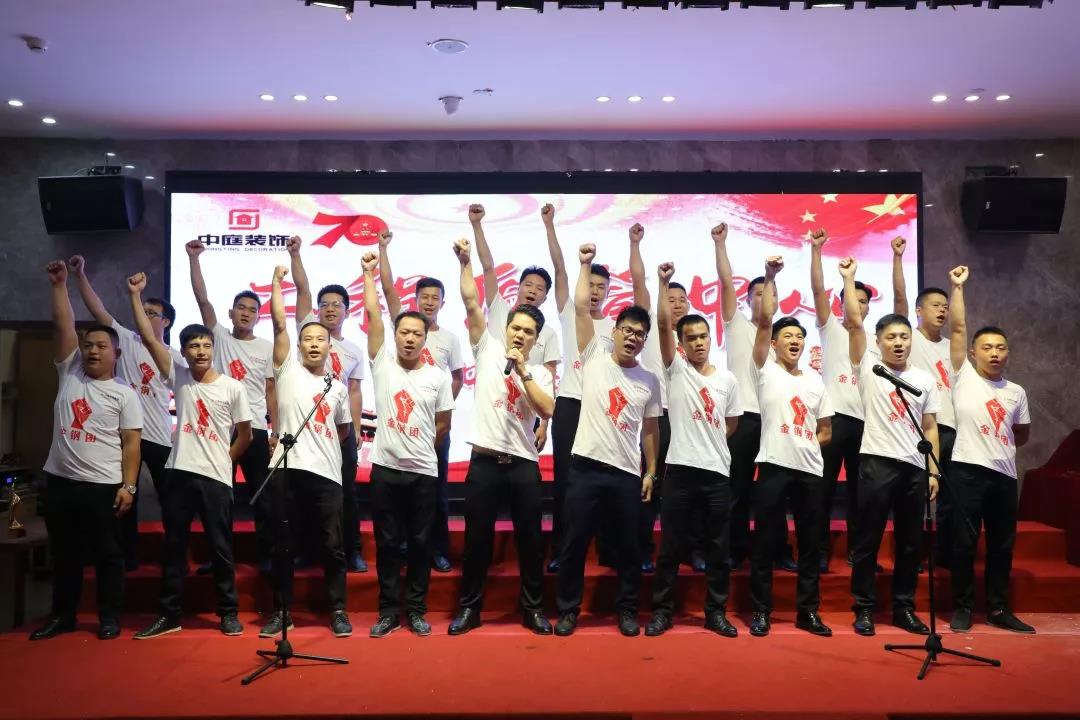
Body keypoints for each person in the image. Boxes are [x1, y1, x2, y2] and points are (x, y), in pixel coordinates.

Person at [125, 272, 253, 639]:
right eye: (193, 346)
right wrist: (135, 296)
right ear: (183, 351)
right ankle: (169, 614)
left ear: (213, 349)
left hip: (216, 477)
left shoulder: (233, 387)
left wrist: (225, 459)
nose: (200, 351)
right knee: (174, 546)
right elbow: (149, 337)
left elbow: (245, 435)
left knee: (221, 547)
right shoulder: (178, 376)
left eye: (205, 345)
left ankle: (228, 612)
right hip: (178, 473)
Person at [447, 239, 555, 636]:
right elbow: (470, 302)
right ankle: (470, 609)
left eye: (529, 331)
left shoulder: (539, 373)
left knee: (530, 541)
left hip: (523, 465)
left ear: (536, 338)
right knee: (477, 540)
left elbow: (547, 409)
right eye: (516, 328)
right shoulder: (487, 348)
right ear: (506, 327)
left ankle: (533, 609)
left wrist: (523, 370)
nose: (521, 334)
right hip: (485, 463)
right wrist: (465, 262)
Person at [30, 261, 142, 641]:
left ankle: (109, 617)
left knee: (109, 555)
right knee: (65, 555)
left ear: (116, 353)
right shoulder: (70, 372)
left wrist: (129, 486)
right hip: (60, 483)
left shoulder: (125, 394)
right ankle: (63, 616)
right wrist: (60, 285)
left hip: (103, 487)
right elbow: (63, 325)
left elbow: (131, 444)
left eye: (101, 346)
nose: (93, 351)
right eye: (88, 345)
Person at [554, 243, 661, 638]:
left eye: (639, 334)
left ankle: (627, 610)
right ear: (614, 331)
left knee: (629, 548)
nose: (632, 338)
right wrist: (584, 265)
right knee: (574, 543)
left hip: (625, 474)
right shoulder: (594, 356)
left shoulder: (648, 380)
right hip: (585, 467)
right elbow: (582, 309)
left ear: (645, 341)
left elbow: (650, 430)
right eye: (627, 331)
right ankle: (568, 610)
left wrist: (651, 471)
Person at [840, 257, 940, 637]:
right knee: (868, 540)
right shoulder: (869, 367)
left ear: (911, 340)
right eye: (891, 338)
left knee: (910, 544)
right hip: (876, 464)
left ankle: (903, 608)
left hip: (914, 468)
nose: (898, 343)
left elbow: (930, 427)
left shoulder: (924, 379)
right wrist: (849, 279)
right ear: (879, 342)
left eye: (904, 337)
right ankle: (864, 609)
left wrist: (933, 471)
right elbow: (854, 322)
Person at [644, 261, 741, 638]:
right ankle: (662, 612)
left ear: (710, 339)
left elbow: (731, 425)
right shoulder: (676, 370)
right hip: (680, 473)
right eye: (691, 338)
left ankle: (716, 612)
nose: (698, 342)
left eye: (703, 336)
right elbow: (662, 325)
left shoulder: (728, 380)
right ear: (681, 345)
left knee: (718, 549)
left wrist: (709, 443)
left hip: (716, 475)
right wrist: (662, 283)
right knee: (670, 548)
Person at [361, 252, 455, 638]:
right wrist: (368, 273)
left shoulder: (438, 377)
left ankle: (415, 610)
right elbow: (373, 313)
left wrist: (420, 450)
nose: (410, 338)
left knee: (419, 544)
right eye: (404, 332)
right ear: (396, 335)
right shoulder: (382, 364)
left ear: (425, 338)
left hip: (422, 473)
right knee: (387, 544)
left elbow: (443, 424)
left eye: (417, 334)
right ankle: (387, 611)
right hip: (385, 471)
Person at [68, 255, 183, 571]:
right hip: (123, 435)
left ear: (166, 322)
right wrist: (80, 275)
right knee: (123, 497)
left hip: (159, 436)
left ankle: (175, 557)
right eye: (142, 311)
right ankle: (126, 556)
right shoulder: (127, 341)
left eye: (152, 313)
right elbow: (98, 310)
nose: (144, 316)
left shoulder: (174, 357)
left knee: (172, 501)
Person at [260, 265, 354, 639]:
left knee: (332, 545)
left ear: (330, 346)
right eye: (308, 339)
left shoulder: (338, 387)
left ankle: (338, 610)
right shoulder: (287, 371)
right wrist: (277, 283)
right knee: (283, 544)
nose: (314, 344)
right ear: (299, 346)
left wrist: (321, 446)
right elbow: (279, 324)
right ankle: (282, 612)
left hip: (327, 473)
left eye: (321, 339)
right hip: (285, 469)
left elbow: (343, 430)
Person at [747, 257, 834, 638]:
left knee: (811, 545)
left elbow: (826, 430)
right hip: (773, 466)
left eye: (800, 336)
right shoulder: (765, 369)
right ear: (774, 344)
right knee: (766, 542)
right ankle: (761, 611)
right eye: (788, 336)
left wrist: (807, 443)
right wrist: (770, 277)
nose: (795, 341)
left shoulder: (815, 380)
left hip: (810, 471)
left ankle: (807, 612)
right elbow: (766, 319)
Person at [945, 267, 1034, 634]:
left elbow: (1021, 434)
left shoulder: (1016, 392)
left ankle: (998, 609)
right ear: (972, 353)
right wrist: (958, 287)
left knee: (1001, 546)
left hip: (1004, 477)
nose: (994, 353)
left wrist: (1000, 447)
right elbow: (957, 328)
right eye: (987, 347)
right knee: (963, 544)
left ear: (1007, 353)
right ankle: (963, 607)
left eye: (1000, 348)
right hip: (966, 472)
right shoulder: (963, 376)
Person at [186, 238, 277, 575]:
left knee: (262, 496)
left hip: (254, 429)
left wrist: (276, 429)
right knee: (218, 497)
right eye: (241, 308)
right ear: (231, 313)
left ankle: (266, 556)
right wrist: (194, 259)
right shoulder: (219, 337)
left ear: (258, 316)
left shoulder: (266, 347)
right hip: (219, 430)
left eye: (252, 310)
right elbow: (202, 299)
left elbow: (271, 391)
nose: (246, 313)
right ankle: (219, 558)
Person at [378, 229, 464, 573]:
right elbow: (387, 290)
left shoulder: (450, 339)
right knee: (399, 496)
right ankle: (400, 547)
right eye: (424, 297)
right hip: (401, 428)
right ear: (415, 300)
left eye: (435, 298)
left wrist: (438, 408)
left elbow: (457, 377)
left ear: (443, 303)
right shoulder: (406, 327)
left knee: (436, 492)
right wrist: (383, 249)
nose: (429, 302)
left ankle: (437, 550)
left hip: (434, 427)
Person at [716, 224, 796, 572]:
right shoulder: (735, 324)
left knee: (774, 492)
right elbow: (725, 281)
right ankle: (735, 550)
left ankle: (778, 550)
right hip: (742, 418)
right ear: (747, 300)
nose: (765, 300)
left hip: (775, 421)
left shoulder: (785, 339)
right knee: (736, 489)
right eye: (759, 294)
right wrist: (720, 243)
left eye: (771, 294)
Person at [543, 204, 614, 572]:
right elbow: (559, 269)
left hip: (604, 410)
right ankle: (561, 550)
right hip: (570, 405)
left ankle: (605, 548)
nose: (595, 291)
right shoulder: (570, 312)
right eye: (591, 285)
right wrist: (550, 224)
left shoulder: (617, 327)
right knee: (565, 482)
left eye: (602, 287)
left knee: (604, 479)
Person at [289, 237, 367, 573]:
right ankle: (308, 551)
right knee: (306, 492)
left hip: (340, 429)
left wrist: (357, 429)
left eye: (337, 305)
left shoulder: (354, 351)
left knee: (346, 492)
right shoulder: (309, 334)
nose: (330, 309)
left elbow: (354, 392)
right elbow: (302, 289)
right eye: (325, 304)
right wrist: (296, 254)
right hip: (307, 429)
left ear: (347, 310)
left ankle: (353, 550)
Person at [809, 228, 879, 572]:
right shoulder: (831, 328)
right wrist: (816, 251)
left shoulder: (878, 340)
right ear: (842, 303)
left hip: (867, 425)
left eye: (864, 301)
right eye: (854, 299)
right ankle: (818, 553)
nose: (859, 305)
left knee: (860, 494)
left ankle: (858, 554)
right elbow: (817, 289)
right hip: (832, 419)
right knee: (821, 490)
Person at [468, 202, 560, 454]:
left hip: (523, 410)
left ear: (545, 297)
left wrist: (544, 425)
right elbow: (488, 267)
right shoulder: (500, 309)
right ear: (518, 288)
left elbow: (549, 381)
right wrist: (476, 225)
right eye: (528, 285)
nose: (532, 291)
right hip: (491, 406)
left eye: (539, 289)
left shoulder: (549, 334)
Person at [892, 237, 958, 569]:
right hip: (919, 428)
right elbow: (899, 298)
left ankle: (943, 554)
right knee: (916, 496)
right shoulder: (910, 338)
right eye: (935, 305)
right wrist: (898, 258)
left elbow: (961, 324)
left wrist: (958, 289)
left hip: (950, 428)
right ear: (919, 310)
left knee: (949, 495)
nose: (942, 310)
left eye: (945, 306)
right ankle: (912, 555)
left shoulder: (951, 345)